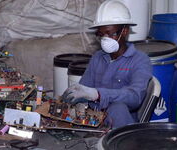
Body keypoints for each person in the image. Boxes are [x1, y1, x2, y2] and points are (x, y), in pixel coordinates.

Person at [62, 0, 152, 128]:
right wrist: (76, 96)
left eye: (110, 33)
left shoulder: (140, 60)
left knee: (118, 108)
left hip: (120, 123)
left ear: (125, 31)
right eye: (101, 34)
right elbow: (84, 88)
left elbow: (135, 97)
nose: (105, 39)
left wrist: (98, 94)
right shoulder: (98, 57)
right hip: (95, 119)